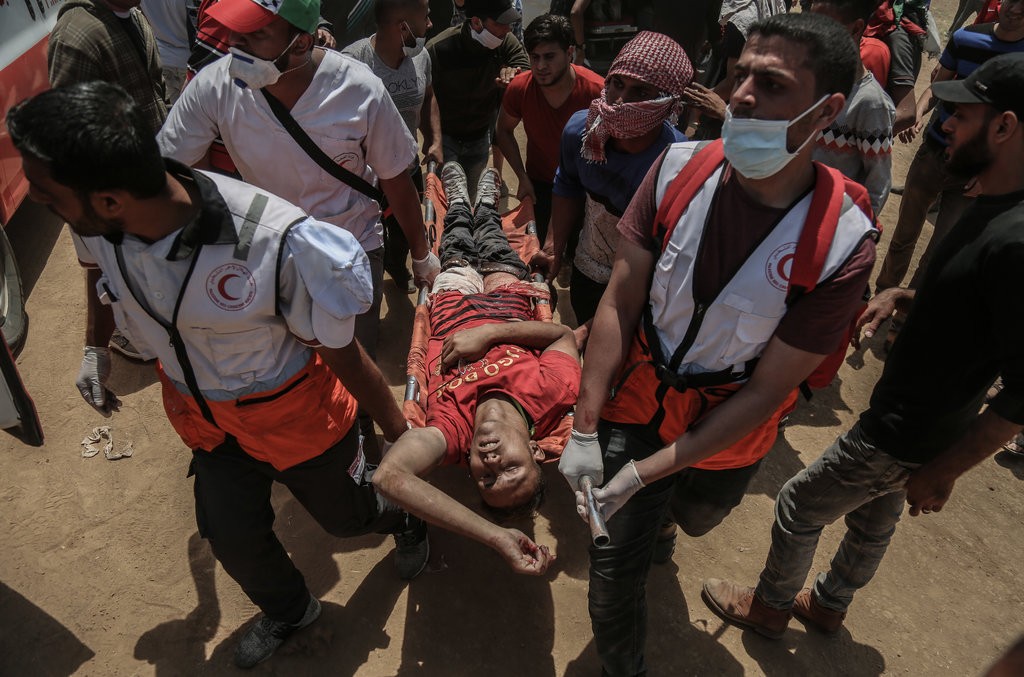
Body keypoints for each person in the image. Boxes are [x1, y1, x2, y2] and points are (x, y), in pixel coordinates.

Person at [7, 81, 430, 669]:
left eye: (46, 191)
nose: (36, 198)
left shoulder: (272, 244)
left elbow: (342, 354)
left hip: (297, 420)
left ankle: (405, 517)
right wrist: (94, 348)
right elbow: (97, 273)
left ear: (109, 200)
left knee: (349, 517)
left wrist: (397, 431)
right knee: (231, 535)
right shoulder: (95, 222)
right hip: (206, 422)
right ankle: (291, 610)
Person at [556, 13, 876, 676]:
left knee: (697, 513)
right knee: (612, 573)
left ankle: (667, 519)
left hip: (729, 427)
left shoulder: (840, 243)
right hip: (639, 399)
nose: (742, 95)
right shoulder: (677, 169)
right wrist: (586, 427)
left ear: (827, 111)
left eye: (772, 83)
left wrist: (646, 475)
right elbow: (619, 299)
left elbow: (767, 390)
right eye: (740, 75)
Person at [701, 52, 1024, 640]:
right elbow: (976, 300)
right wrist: (907, 296)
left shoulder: (1017, 239)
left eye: (962, 115)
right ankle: (829, 604)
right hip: (923, 424)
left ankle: (770, 607)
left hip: (906, 429)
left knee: (799, 504)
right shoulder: (995, 204)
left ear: (1004, 127)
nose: (945, 124)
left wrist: (947, 469)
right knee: (874, 516)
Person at [156, 0, 440, 452]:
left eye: (255, 35)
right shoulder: (217, 85)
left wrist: (422, 256)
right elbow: (169, 172)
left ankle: (362, 447)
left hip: (351, 249)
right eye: (235, 34)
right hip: (270, 252)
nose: (236, 47)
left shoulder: (358, 90)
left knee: (353, 365)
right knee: (291, 366)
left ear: (301, 43)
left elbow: (397, 182)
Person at [372, 162, 580, 575]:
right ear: (536, 451)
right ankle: (485, 202)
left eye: (486, 479)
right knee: (491, 237)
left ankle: (459, 202)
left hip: (452, 301)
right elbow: (562, 337)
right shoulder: (549, 396)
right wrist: (489, 334)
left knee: (455, 243)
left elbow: (388, 476)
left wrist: (494, 536)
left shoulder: (452, 431)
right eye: (511, 468)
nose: (493, 461)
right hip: (508, 296)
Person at [535, 30, 691, 327]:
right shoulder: (581, 133)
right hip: (588, 268)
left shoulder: (677, 164)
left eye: (641, 92)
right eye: (617, 84)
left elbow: (670, 258)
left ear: (668, 103)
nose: (620, 102)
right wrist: (554, 248)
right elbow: (567, 185)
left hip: (644, 288)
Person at [875, 0, 1024, 295]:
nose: (1016, 9)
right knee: (903, 236)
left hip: (974, 173)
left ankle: (906, 308)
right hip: (934, 154)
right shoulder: (967, 38)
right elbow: (937, 87)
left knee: (940, 249)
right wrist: (919, 112)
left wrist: (988, 175)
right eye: (1013, 0)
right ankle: (883, 294)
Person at [48, 0, 170, 361]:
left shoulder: (134, 15)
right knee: (120, 266)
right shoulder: (76, 37)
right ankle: (128, 334)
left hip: (152, 167)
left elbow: (156, 88)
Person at [343, 0, 443, 293]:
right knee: (367, 241)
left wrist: (435, 139)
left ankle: (397, 266)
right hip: (364, 179)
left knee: (404, 232)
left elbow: (429, 96)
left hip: (405, 168)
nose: (430, 24)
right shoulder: (353, 63)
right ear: (403, 28)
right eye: (425, 17)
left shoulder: (421, 56)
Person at [494, 13, 604, 245]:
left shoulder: (597, 91)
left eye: (549, 56)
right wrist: (522, 177)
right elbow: (503, 130)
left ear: (570, 52)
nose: (541, 66)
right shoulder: (520, 88)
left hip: (587, 189)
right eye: (534, 57)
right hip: (540, 185)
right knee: (543, 251)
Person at [427, 0, 529, 201]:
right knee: (448, 204)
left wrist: (514, 74)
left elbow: (525, 69)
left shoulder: (504, 40)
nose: (508, 29)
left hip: (480, 137)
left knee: (471, 200)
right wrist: (433, 139)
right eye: (500, 23)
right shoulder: (439, 48)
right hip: (445, 138)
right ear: (476, 22)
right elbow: (424, 97)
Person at [810, 0, 896, 216]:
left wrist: (856, 230)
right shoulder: (807, 81)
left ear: (856, 29)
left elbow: (878, 186)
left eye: (824, 25)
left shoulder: (870, 104)